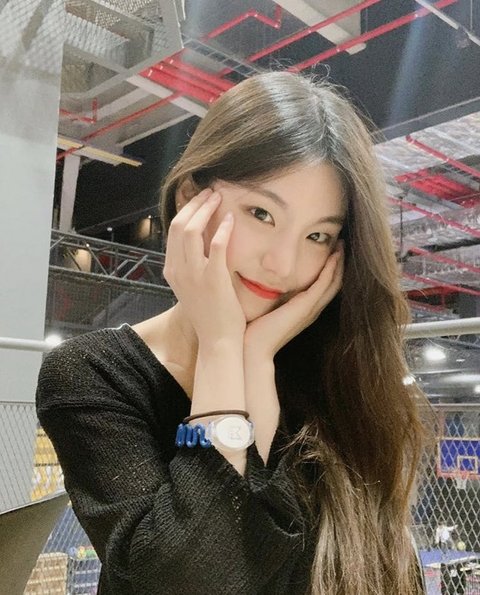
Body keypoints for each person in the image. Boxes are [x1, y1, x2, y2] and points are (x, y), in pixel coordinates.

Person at [36, 71, 428, 594]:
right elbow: (185, 580)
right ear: (190, 198)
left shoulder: (336, 371)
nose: (283, 263)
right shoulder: (94, 376)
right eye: (261, 213)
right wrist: (226, 351)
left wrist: (256, 355)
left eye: (317, 235)